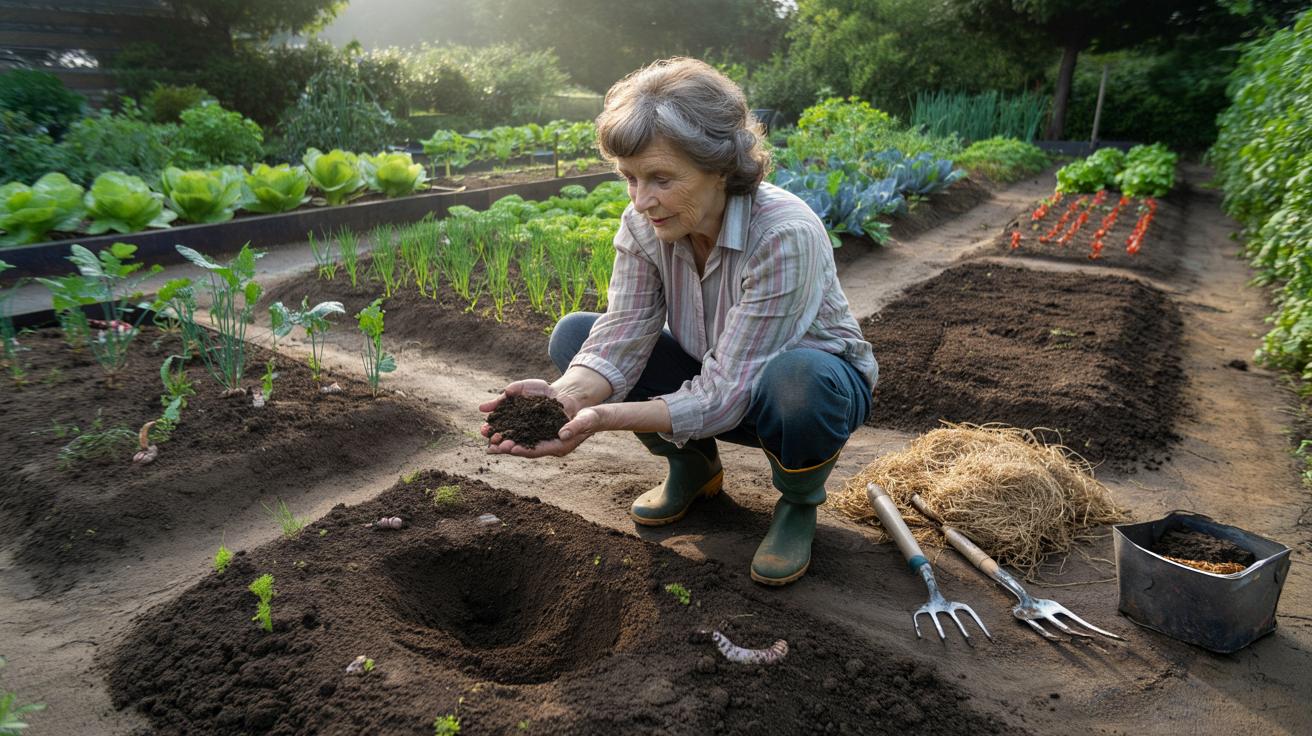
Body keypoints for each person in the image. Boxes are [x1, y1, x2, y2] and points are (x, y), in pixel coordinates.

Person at [480, 57, 876, 586]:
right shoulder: (646, 224)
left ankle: (798, 502)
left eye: (661, 178)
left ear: (720, 168)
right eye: (630, 179)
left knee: (799, 379)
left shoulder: (783, 234)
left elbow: (729, 390)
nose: (643, 201)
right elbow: (622, 333)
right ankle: (694, 469)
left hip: (801, 394)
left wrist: (603, 419)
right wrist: (568, 400)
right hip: (715, 377)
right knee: (576, 336)